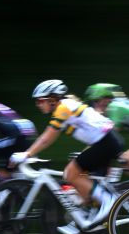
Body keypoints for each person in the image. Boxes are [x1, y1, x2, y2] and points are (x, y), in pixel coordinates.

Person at [10, 80, 123, 226]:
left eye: (40, 101)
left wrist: (26, 154)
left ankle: (108, 201)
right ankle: (81, 222)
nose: (38, 104)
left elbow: (47, 138)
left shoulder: (63, 108)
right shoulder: (66, 106)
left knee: (70, 173)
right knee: (79, 179)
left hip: (106, 143)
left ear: (52, 99)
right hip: (104, 142)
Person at [0, 101, 35, 179]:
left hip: (17, 135)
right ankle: (11, 185)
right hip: (28, 133)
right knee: (9, 171)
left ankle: (2, 182)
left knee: (3, 173)